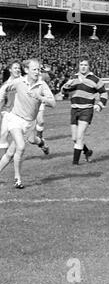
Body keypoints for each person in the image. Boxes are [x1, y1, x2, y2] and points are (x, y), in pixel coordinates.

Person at [0, 58, 56, 189]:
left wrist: (40, 97)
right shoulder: (20, 82)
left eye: (38, 69)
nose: (37, 72)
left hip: (29, 123)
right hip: (15, 118)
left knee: (10, 153)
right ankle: (18, 179)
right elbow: (4, 88)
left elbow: (53, 103)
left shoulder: (42, 85)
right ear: (26, 70)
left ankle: (40, 143)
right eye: (34, 69)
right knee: (20, 146)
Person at [61, 55, 108, 165]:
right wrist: (65, 87)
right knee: (74, 138)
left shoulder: (95, 79)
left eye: (85, 65)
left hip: (86, 110)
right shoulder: (73, 78)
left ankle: (75, 163)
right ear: (78, 65)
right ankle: (87, 151)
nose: (83, 67)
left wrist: (100, 104)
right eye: (81, 64)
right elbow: (64, 92)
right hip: (74, 109)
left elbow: (104, 93)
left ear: (89, 66)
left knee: (79, 136)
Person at [0, 60, 22, 156]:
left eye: (18, 68)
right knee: (3, 134)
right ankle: (3, 159)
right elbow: (1, 100)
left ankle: (41, 143)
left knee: (31, 139)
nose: (17, 70)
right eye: (15, 68)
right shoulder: (6, 85)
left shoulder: (25, 82)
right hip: (8, 112)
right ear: (10, 70)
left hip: (22, 114)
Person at [35, 64, 52, 154]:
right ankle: (42, 144)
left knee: (40, 121)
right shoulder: (27, 77)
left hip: (39, 99)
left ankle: (40, 137)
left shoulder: (44, 76)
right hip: (29, 102)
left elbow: (48, 82)